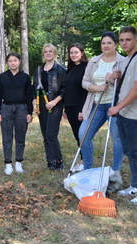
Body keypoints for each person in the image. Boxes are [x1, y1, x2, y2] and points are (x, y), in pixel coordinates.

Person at [108, 26, 137, 205]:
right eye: (122, 40)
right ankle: (135, 185)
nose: (125, 43)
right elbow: (125, 84)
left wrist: (117, 107)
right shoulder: (127, 60)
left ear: (136, 40)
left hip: (136, 114)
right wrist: (116, 76)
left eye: (128, 39)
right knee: (129, 151)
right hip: (125, 113)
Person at [79, 32, 125, 177]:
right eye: (103, 43)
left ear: (115, 45)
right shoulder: (94, 61)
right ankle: (88, 169)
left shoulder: (123, 62)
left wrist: (113, 80)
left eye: (109, 43)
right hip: (96, 104)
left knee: (117, 138)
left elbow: (127, 85)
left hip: (114, 106)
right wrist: (97, 87)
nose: (106, 46)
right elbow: (84, 82)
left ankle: (115, 171)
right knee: (83, 135)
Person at [0, 52, 33, 175]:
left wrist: (29, 112)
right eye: (10, 61)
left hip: (22, 108)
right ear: (7, 62)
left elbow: (29, 95)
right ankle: (8, 163)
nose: (13, 63)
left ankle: (18, 162)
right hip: (6, 108)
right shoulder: (2, 77)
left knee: (20, 136)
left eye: (15, 60)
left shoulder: (25, 77)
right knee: (7, 137)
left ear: (19, 61)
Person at [32, 43, 66, 170]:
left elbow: (64, 89)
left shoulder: (60, 69)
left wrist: (54, 102)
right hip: (42, 105)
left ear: (55, 53)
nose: (48, 53)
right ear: (43, 54)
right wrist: (35, 104)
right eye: (45, 51)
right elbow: (34, 88)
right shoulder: (39, 70)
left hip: (55, 104)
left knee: (51, 134)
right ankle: (50, 161)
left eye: (50, 51)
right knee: (45, 134)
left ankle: (58, 160)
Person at [63, 43, 88, 172]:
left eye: (76, 52)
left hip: (80, 107)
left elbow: (86, 91)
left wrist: (82, 110)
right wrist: (65, 109)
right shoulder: (71, 69)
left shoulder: (86, 67)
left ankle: (84, 161)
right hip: (69, 107)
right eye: (71, 52)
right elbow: (68, 90)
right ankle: (83, 160)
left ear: (82, 53)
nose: (73, 55)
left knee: (82, 135)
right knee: (76, 134)